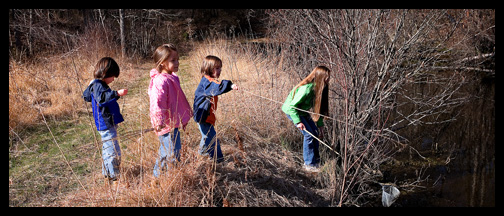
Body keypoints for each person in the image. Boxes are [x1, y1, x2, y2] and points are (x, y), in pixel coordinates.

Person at [148, 44, 193, 178]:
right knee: (171, 152)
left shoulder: (171, 78)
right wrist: (159, 120)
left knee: (167, 151)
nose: (177, 62)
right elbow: (157, 102)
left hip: (172, 123)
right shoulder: (160, 81)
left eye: (177, 59)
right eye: (173, 60)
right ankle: (166, 178)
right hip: (165, 124)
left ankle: (158, 177)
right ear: (162, 63)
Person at [82, 57, 128, 185]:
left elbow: (102, 100)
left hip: (105, 124)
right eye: (113, 76)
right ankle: (115, 177)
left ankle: (107, 174)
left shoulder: (98, 85)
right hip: (106, 124)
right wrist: (116, 93)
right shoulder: (98, 85)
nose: (113, 79)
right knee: (113, 150)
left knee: (107, 148)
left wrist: (114, 96)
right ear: (105, 73)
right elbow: (102, 99)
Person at [281, 66, 330, 172]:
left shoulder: (320, 90)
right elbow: (291, 107)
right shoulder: (306, 89)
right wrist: (298, 122)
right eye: (326, 77)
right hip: (293, 112)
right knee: (308, 135)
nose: (328, 80)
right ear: (320, 77)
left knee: (315, 133)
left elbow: (320, 110)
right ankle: (308, 165)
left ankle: (316, 162)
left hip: (303, 112)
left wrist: (320, 126)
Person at [193, 55, 238, 163]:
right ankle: (219, 161)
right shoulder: (207, 82)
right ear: (208, 68)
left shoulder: (208, 81)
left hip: (205, 116)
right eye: (217, 68)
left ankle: (201, 155)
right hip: (203, 116)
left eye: (220, 68)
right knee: (213, 140)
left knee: (206, 137)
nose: (220, 70)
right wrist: (230, 85)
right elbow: (218, 87)